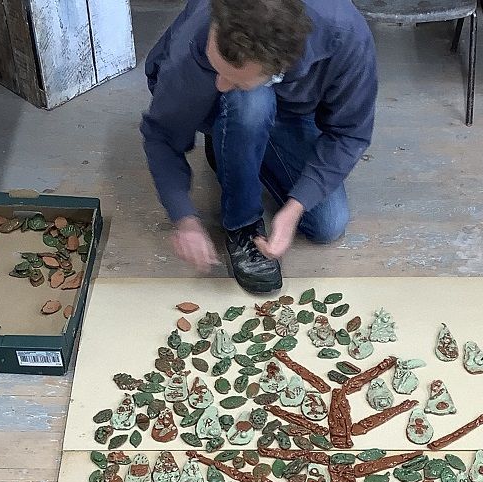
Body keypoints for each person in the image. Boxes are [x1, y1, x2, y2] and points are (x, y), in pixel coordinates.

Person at [141, 0, 377, 294]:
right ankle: (242, 221)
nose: (222, 86)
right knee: (246, 102)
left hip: (290, 109)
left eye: (235, 79)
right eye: (217, 67)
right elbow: (162, 134)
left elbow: (349, 134)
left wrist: (294, 208)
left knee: (327, 224)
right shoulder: (200, 35)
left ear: (281, 69)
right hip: (233, 97)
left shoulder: (346, 35)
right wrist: (184, 217)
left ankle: (235, 142)